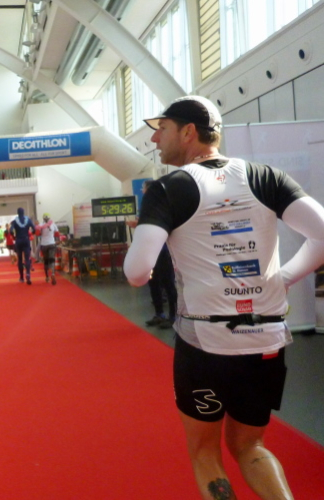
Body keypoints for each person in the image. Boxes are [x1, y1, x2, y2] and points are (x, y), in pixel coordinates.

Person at [124, 95, 324, 500]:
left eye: (161, 129)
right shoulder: (265, 176)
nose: (155, 139)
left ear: (188, 132)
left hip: (205, 343)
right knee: (250, 446)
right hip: (267, 339)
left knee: (205, 452)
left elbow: (136, 272)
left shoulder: (168, 188)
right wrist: (284, 278)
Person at [128, 180, 178, 329]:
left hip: (164, 250)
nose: (143, 192)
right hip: (150, 251)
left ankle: (173, 317)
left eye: (144, 189)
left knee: (168, 283)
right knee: (153, 282)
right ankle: (159, 314)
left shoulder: (164, 206)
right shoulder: (147, 207)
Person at [10, 208, 36, 284]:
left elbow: (11, 231)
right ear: (23, 212)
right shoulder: (28, 220)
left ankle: (21, 277)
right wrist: (31, 234)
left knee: (20, 259)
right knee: (27, 258)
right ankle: (28, 274)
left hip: (18, 240)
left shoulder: (15, 221)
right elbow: (34, 229)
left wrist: (14, 236)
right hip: (26, 239)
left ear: (17, 213)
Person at [37, 213, 59, 285]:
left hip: (44, 245)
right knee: (52, 259)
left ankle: (47, 276)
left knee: (46, 260)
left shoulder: (41, 225)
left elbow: (38, 234)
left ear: (43, 218)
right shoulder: (53, 224)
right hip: (52, 244)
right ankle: (53, 273)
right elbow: (57, 234)